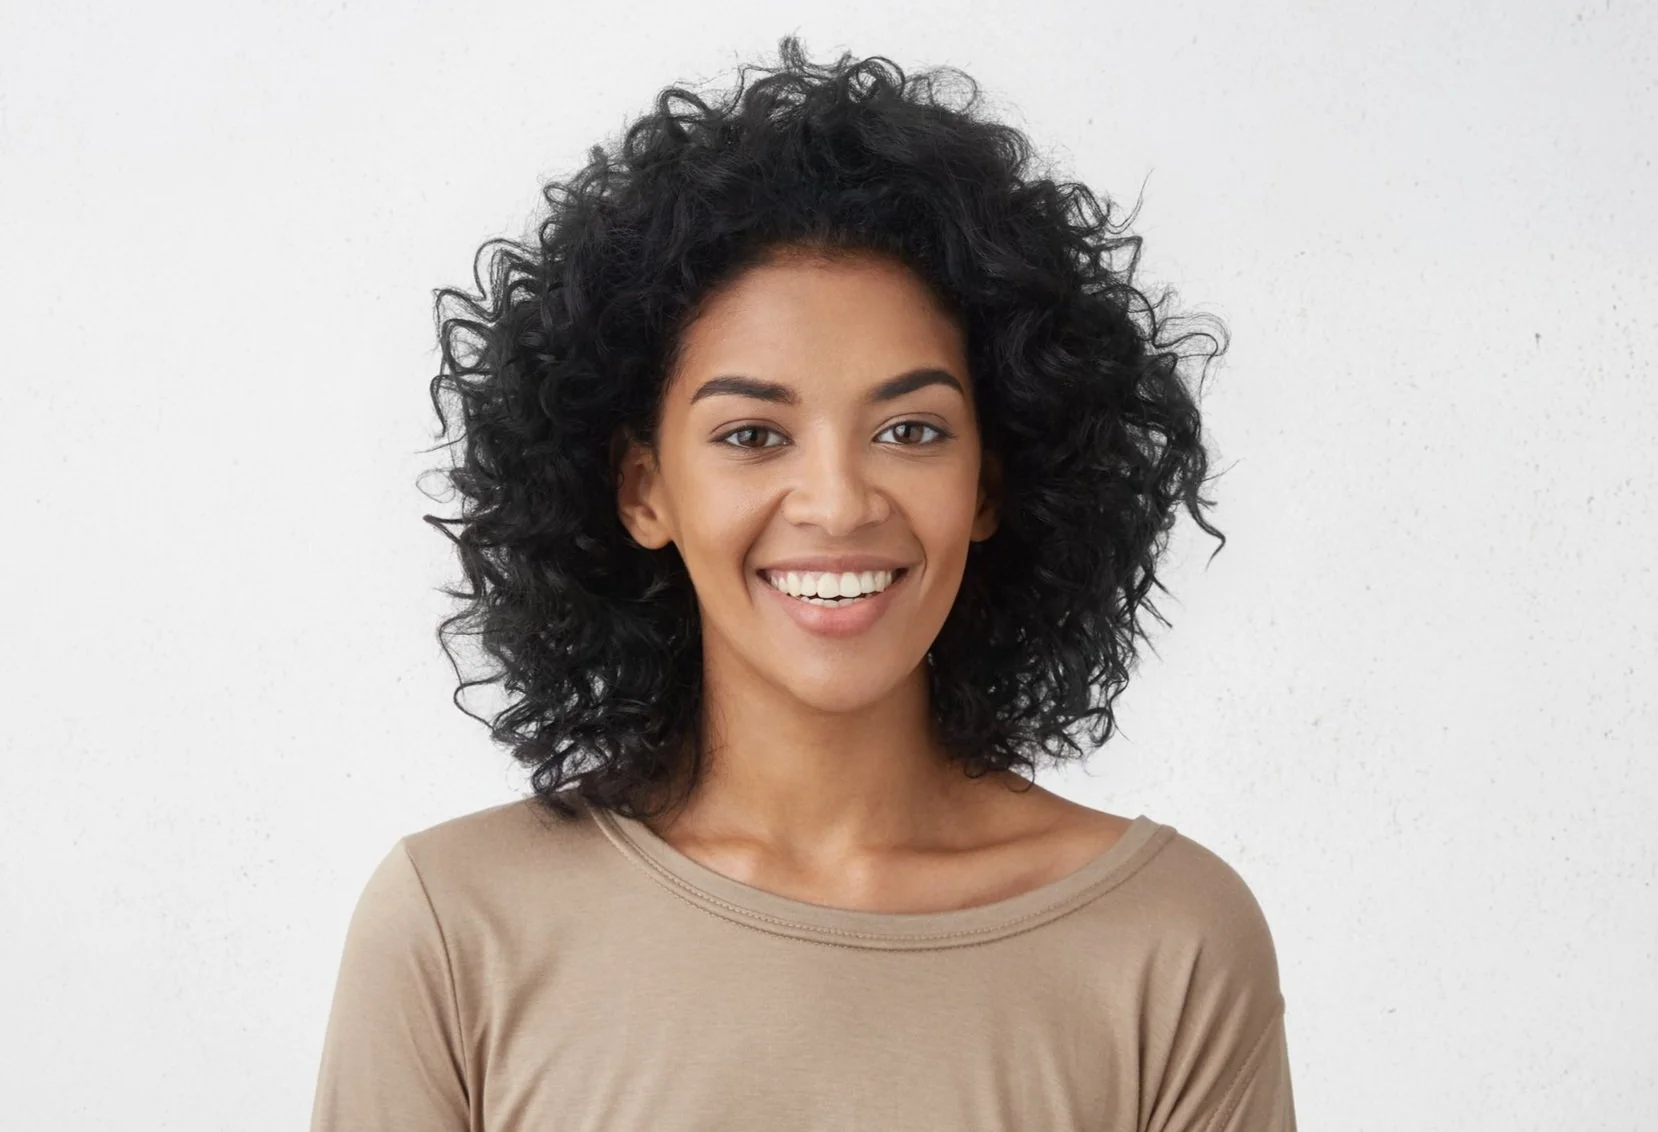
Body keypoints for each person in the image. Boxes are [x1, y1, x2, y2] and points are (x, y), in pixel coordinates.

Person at [309, 36, 1295, 1131]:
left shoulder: (1167, 942)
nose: (836, 501)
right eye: (751, 433)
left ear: (988, 483)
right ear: (643, 490)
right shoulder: (456, 929)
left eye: (909, 429)